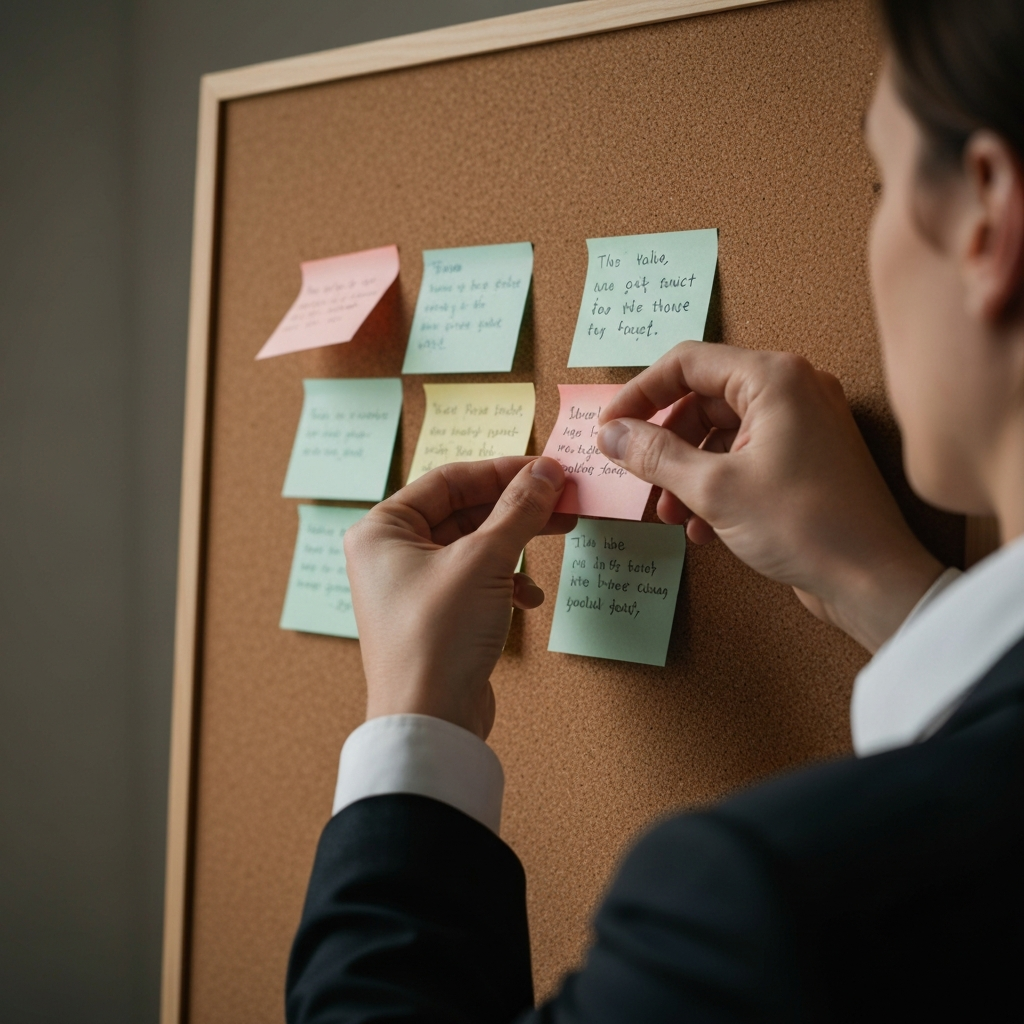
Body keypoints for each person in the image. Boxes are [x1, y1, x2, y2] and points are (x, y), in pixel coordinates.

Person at [286, 1, 1024, 1019]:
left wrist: (414, 713)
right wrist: (880, 587)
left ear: (986, 215)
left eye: (880, 183)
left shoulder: (765, 906)